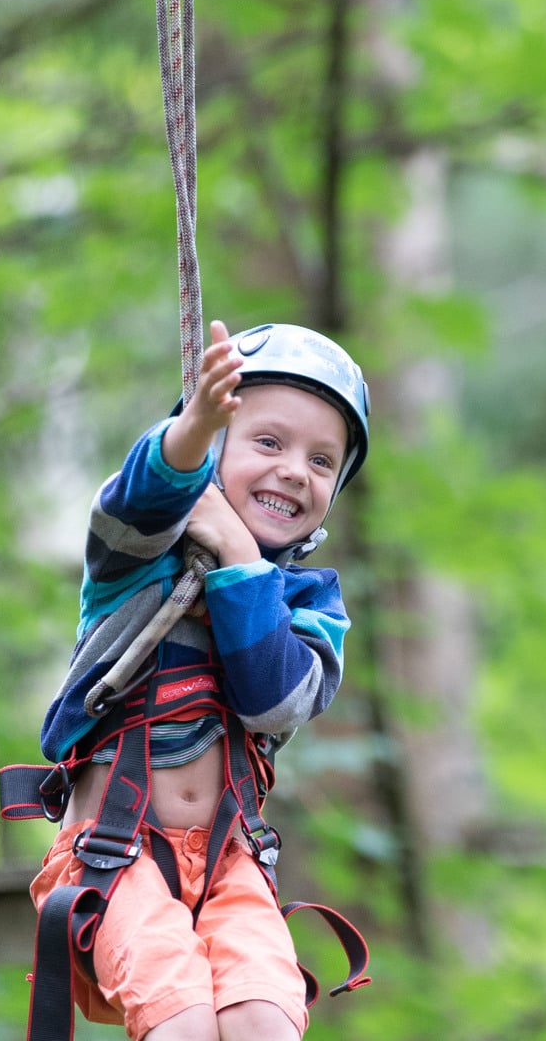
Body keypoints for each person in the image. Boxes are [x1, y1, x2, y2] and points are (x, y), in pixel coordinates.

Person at [27, 319, 370, 1041]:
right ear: (217, 449)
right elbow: (140, 499)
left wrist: (242, 557)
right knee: (180, 1017)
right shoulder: (141, 562)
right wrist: (193, 428)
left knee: (266, 1020)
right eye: (268, 442)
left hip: (230, 863)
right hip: (114, 853)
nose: (293, 471)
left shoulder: (311, 605)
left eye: (321, 460)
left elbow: (272, 698)